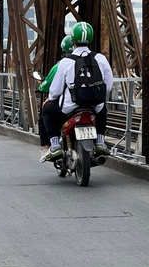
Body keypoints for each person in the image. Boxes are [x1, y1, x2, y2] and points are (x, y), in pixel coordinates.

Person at [40, 21, 113, 162]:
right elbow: (108, 86)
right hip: (94, 107)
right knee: (103, 108)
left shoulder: (66, 62)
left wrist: (50, 99)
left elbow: (55, 91)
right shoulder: (100, 58)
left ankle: (55, 146)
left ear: (72, 41)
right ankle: (100, 142)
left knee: (47, 110)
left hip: (70, 107)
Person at [37, 35, 73, 160]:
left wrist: (43, 89)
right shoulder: (92, 60)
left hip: (67, 105)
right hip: (89, 104)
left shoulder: (60, 65)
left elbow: (51, 88)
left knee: (45, 112)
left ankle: (50, 146)